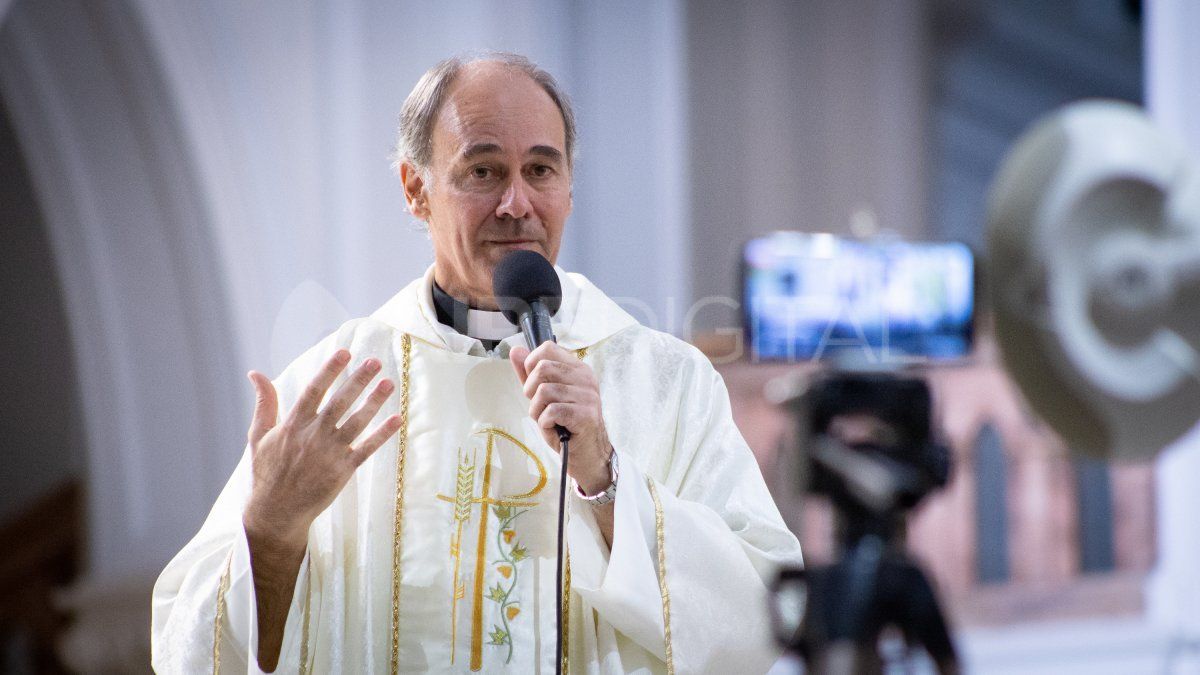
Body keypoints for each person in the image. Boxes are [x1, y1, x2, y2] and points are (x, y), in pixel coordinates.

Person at [151, 52, 803, 674]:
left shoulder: (664, 381)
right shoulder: (335, 386)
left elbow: (760, 617)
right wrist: (270, 526)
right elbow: (185, 651)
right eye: (484, 170)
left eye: (541, 171)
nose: (516, 203)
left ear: (569, 188)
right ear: (415, 189)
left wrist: (606, 479)